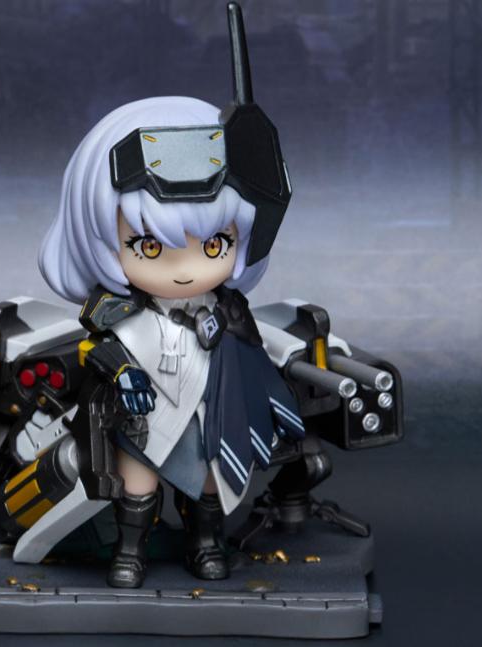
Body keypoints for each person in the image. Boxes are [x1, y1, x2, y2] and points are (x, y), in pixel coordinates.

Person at [38, 93, 305, 588]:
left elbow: (249, 353)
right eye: (150, 246)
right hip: (145, 413)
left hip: (206, 411)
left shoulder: (225, 309)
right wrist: (124, 372)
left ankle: (205, 544)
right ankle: (130, 550)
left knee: (210, 481)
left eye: (214, 244)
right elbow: (95, 348)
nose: (186, 270)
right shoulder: (118, 311)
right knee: (137, 482)